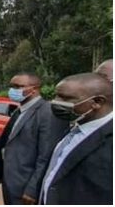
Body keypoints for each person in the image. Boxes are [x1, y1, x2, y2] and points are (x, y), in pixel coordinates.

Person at [0, 73, 68, 204]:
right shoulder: (19, 110)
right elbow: (7, 143)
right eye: (11, 86)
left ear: (34, 89)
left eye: (17, 86)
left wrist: (33, 189)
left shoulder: (47, 113)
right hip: (10, 181)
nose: (12, 90)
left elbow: (46, 156)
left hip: (26, 186)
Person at [40, 73, 112, 205]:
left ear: (97, 102)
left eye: (66, 98)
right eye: (56, 96)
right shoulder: (73, 125)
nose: (56, 102)